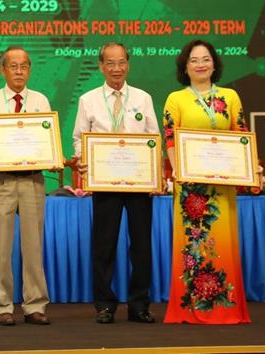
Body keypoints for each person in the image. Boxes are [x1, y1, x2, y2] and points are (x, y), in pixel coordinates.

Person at [162, 39, 250, 324]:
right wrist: (178, 172)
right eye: (194, 60)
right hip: (191, 188)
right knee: (194, 247)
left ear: (214, 64)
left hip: (222, 185)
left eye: (206, 59)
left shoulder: (230, 96)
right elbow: (170, 139)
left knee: (223, 244)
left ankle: (226, 307)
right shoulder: (175, 99)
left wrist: (247, 167)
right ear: (185, 67)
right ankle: (191, 306)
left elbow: (241, 135)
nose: (200, 64)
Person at [72, 42, 159, 324]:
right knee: (104, 246)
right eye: (110, 63)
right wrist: (83, 159)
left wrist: (155, 174)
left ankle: (139, 305)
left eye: (121, 62)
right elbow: (79, 139)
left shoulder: (143, 98)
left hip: (139, 184)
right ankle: (104, 305)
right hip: (105, 182)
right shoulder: (88, 100)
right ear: (101, 66)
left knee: (141, 247)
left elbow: (153, 138)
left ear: (128, 65)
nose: (116, 68)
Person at [0, 46, 52, 326]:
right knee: (0, 249)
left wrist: (51, 155)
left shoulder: (40, 100)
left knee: (34, 247)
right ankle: (2, 305)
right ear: (2, 70)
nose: (19, 72)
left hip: (32, 181)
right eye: (13, 66)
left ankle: (35, 305)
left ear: (29, 70)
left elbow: (48, 139)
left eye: (24, 66)